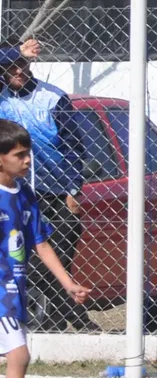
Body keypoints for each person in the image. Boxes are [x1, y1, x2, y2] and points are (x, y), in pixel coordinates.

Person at [0, 120, 90, 378]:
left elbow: (40, 243)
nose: (27, 161)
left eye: (28, 154)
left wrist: (68, 283)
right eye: (20, 155)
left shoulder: (24, 194)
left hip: (13, 290)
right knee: (19, 356)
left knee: (18, 356)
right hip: (1, 291)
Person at [0, 51, 96, 331]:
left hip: (54, 191)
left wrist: (73, 188)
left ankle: (61, 315)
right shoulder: (2, 98)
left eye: (22, 65)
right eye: (10, 66)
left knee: (58, 250)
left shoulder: (52, 97)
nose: (17, 71)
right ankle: (71, 318)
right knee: (24, 257)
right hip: (16, 189)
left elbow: (75, 147)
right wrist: (18, 50)